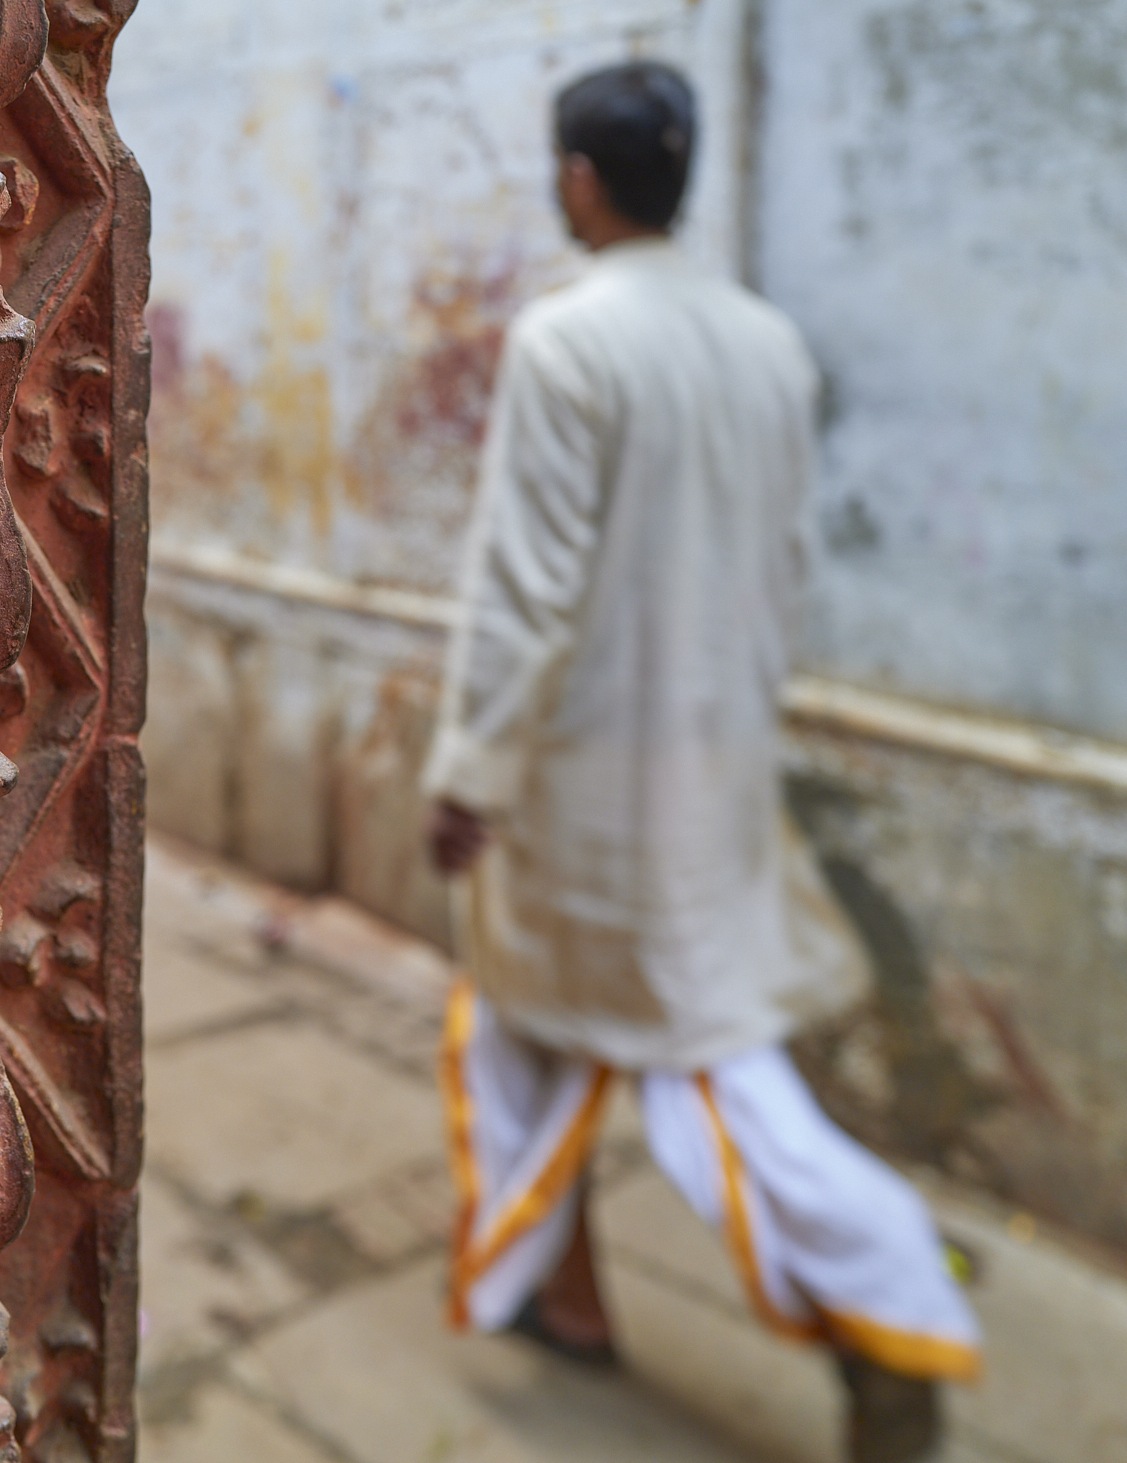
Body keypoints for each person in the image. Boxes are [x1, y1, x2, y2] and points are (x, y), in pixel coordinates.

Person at [422, 60, 980, 1463]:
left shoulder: (569, 341)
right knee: (523, 1031)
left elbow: (528, 591)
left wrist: (470, 775)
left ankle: (887, 1304)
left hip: (586, 788)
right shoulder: (767, 343)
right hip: (708, 769)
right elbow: (783, 573)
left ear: (580, 179)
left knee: (701, 1065)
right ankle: (566, 1296)